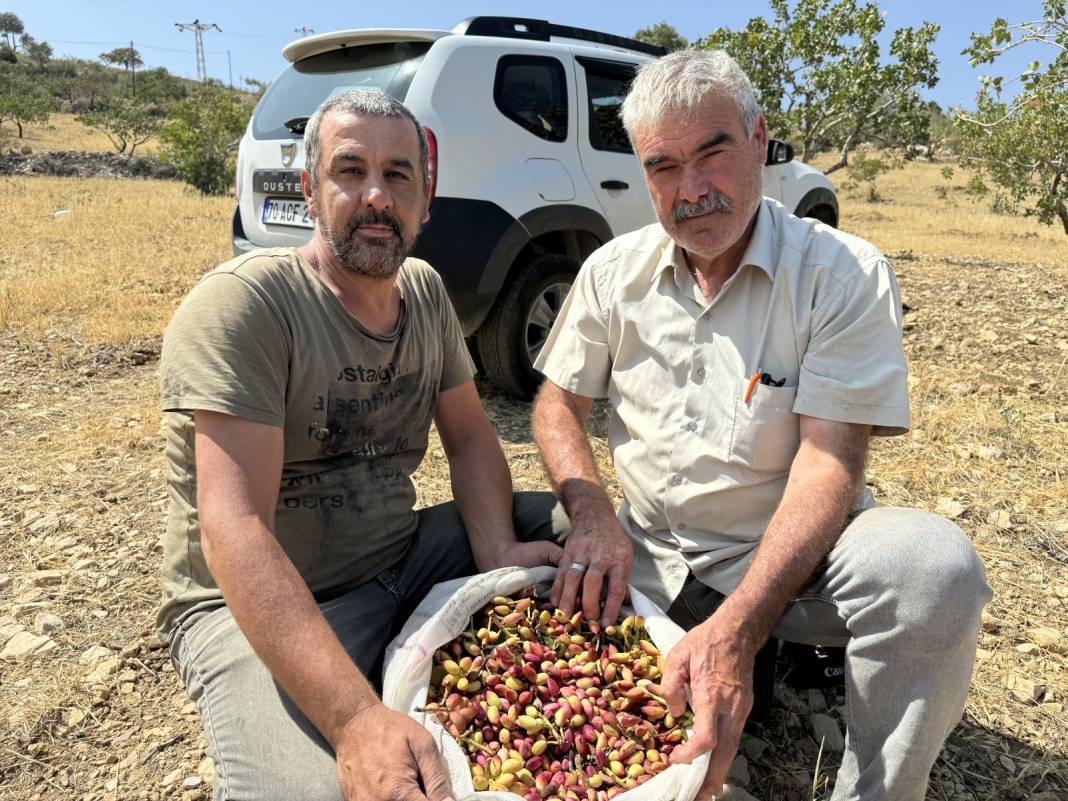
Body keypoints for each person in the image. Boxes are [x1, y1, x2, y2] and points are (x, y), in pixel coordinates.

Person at [532, 50, 992, 801]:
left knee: (933, 571)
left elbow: (828, 465)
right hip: (645, 556)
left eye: (712, 153)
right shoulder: (613, 272)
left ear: (758, 140)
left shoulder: (840, 273)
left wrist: (741, 629)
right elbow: (556, 403)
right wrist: (590, 513)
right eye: (664, 167)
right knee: (482, 535)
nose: (692, 190)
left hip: (785, 568)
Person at [157, 89, 563, 801]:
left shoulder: (427, 293)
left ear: (426, 200)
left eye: (400, 174)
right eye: (350, 170)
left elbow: (470, 441)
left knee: (565, 525)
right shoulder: (244, 305)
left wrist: (497, 550)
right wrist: (352, 719)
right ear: (309, 190)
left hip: (400, 557)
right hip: (258, 600)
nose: (377, 195)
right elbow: (234, 527)